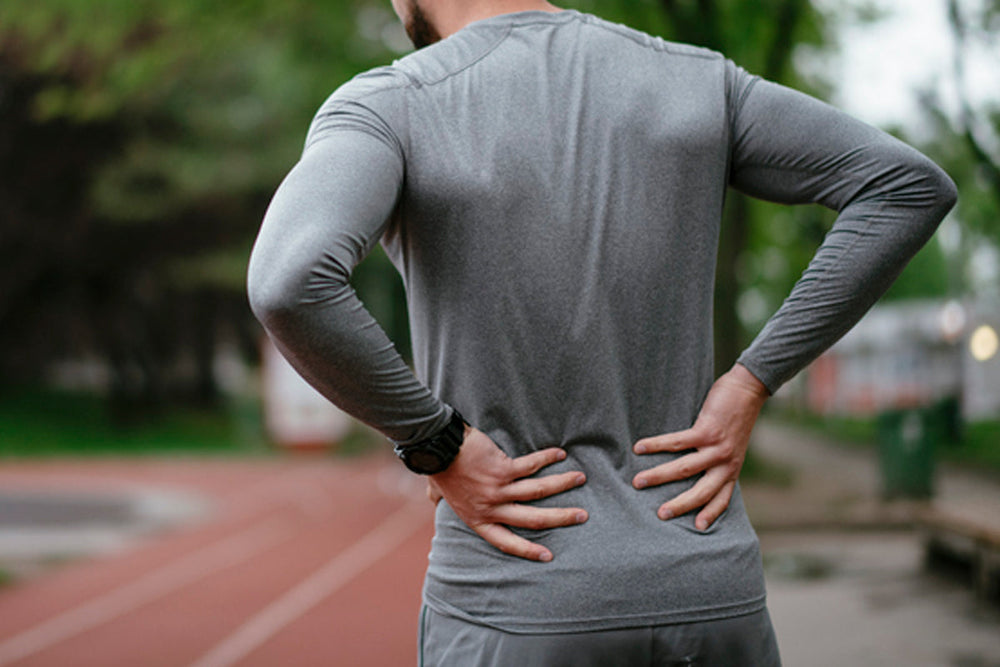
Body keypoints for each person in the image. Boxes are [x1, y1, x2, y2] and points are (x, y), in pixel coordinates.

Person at [247, 0, 957, 664]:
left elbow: (288, 280)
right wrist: (753, 378)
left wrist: (435, 440)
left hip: (518, 601)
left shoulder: (391, 104)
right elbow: (906, 185)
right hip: (713, 599)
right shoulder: (697, 80)